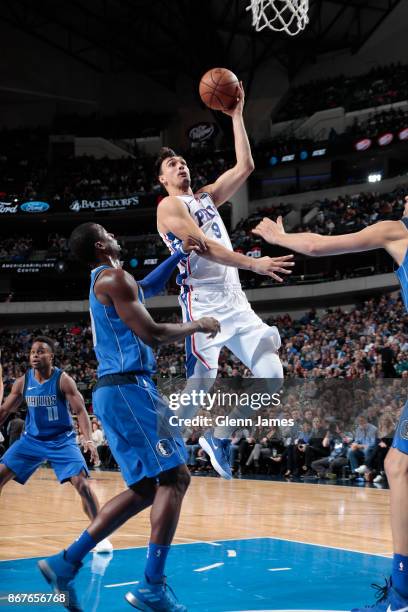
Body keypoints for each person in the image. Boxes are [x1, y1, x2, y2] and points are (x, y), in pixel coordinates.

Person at [38, 223, 220, 612]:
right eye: (110, 232)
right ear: (102, 244)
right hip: (129, 390)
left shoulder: (111, 280)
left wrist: (178, 256)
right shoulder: (113, 278)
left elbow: (147, 288)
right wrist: (198, 325)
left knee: (146, 489)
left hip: (117, 391)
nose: (117, 235)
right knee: (175, 477)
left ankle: (65, 562)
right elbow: (153, 333)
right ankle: (152, 585)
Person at [253, 195, 408, 611]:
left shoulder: (398, 230)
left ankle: (402, 594)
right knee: (397, 464)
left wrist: (280, 236)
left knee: (399, 466)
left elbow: (321, 245)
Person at [156, 83, 294, 479]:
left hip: (236, 300)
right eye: (171, 165)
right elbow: (202, 247)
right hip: (205, 304)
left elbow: (245, 166)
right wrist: (255, 264)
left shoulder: (204, 197)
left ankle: (220, 434)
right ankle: (163, 447)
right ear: (163, 180)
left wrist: (236, 116)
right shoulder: (169, 206)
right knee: (199, 387)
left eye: (182, 161)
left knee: (272, 374)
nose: (181, 165)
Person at [0, 337, 112, 554]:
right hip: (31, 441)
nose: (34, 355)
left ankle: (99, 535)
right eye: (32, 352)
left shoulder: (64, 380)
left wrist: (88, 439)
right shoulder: (23, 382)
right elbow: (5, 411)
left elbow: (80, 411)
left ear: (51, 356)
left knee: (83, 485)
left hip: (61, 441)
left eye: (40, 351)